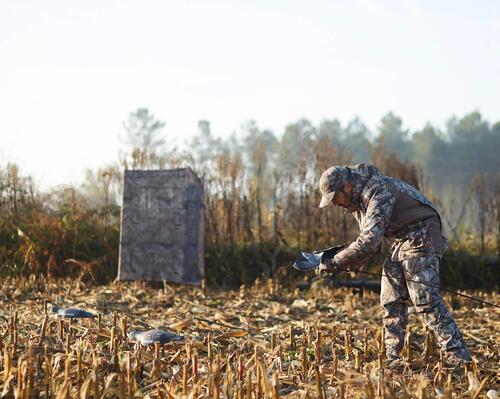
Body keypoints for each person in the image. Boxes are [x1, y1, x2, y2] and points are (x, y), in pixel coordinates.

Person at [317, 163, 472, 369]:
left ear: (346, 186)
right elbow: (372, 246)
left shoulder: (376, 192)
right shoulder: (356, 202)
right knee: (390, 298)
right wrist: (345, 261)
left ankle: (459, 357)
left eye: (334, 197)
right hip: (401, 241)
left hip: (422, 235)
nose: (334, 204)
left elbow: (369, 241)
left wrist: (337, 262)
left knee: (424, 299)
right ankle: (393, 357)